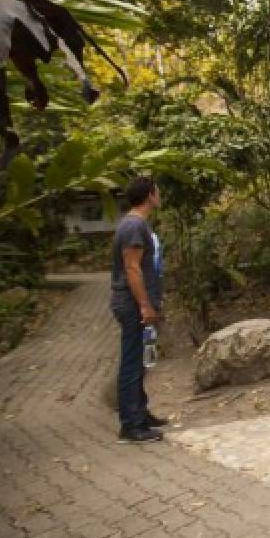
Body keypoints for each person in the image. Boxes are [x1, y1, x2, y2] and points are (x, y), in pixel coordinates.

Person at [110, 175, 167, 443]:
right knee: (132, 363)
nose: (159, 195)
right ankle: (131, 425)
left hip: (135, 303)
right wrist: (144, 304)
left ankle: (140, 413)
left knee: (141, 361)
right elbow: (132, 268)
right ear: (149, 195)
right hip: (132, 304)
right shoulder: (134, 226)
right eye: (157, 191)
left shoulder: (135, 223)